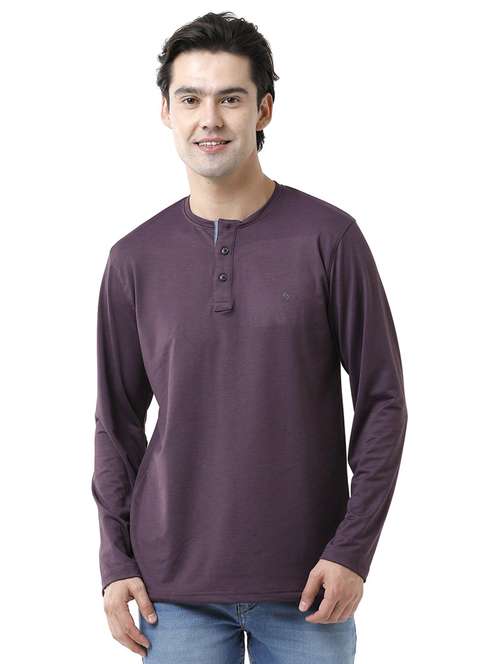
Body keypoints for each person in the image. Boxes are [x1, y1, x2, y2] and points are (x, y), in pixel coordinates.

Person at [91, 10, 408, 663]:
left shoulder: (330, 239)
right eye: (191, 99)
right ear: (166, 112)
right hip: (170, 592)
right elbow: (115, 423)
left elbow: (383, 402)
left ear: (264, 109)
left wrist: (353, 550)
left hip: (311, 587)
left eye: (230, 99)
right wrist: (115, 561)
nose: (210, 119)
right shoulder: (133, 259)